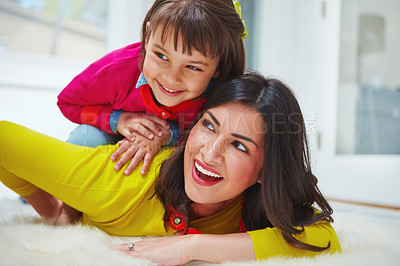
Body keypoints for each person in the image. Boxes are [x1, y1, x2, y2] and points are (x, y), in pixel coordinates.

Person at [0, 72, 341, 265]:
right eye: (209, 126)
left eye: (239, 145)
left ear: (266, 170)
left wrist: (193, 247)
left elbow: (323, 237)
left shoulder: (259, 199)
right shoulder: (118, 183)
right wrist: (53, 211)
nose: (209, 153)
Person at [57, 0, 246, 176]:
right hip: (112, 140)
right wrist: (118, 121)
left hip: (175, 155)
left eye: (193, 67)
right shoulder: (117, 69)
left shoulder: (222, 96)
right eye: (161, 55)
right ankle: (67, 209)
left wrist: (168, 134)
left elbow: (217, 140)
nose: (171, 78)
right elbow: (68, 103)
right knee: (85, 138)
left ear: (219, 67)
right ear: (148, 37)